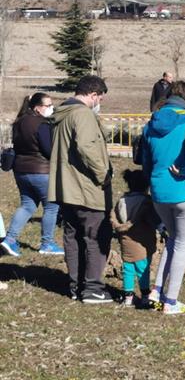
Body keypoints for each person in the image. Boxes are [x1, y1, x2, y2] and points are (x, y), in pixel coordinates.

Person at [139, 81, 185, 314]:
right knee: (182, 244)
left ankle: (156, 290)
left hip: (159, 191)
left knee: (172, 238)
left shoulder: (151, 122)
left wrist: (152, 178)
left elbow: (142, 157)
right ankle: (171, 302)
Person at [48, 75, 113, 304]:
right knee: (96, 237)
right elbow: (86, 147)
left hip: (66, 189)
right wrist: (102, 174)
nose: (99, 103)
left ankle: (76, 286)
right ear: (93, 94)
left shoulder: (62, 115)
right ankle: (93, 288)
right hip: (86, 189)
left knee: (73, 237)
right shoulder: (83, 114)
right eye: (100, 98)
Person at [1, 93, 62, 257]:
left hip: (20, 171)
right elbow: (49, 150)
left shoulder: (18, 122)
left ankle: (10, 240)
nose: (51, 108)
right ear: (37, 107)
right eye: (48, 105)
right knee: (51, 207)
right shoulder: (41, 124)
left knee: (27, 206)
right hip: (42, 171)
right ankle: (47, 244)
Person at [110, 169, 159, 307]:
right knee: (143, 269)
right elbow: (151, 220)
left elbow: (114, 217)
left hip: (126, 241)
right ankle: (145, 295)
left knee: (128, 269)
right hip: (142, 242)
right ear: (146, 185)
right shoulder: (146, 202)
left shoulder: (121, 201)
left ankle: (128, 297)